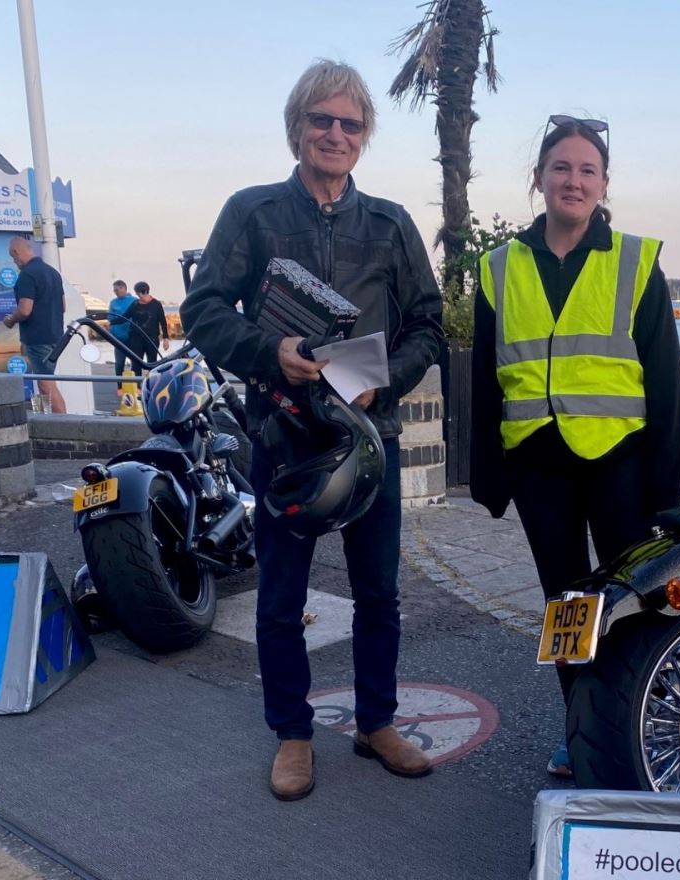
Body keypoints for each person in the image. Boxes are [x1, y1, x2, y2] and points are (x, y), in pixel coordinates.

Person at [181, 60, 444, 802]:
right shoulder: (254, 213)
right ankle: (292, 733)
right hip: (284, 436)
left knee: (380, 593)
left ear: (364, 137)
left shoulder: (391, 223)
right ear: (296, 127)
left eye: (350, 123)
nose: (335, 134)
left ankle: (376, 722)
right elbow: (203, 309)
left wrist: (389, 372)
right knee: (279, 600)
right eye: (321, 120)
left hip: (370, 437)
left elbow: (428, 321)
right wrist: (273, 354)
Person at [469, 114, 680, 779]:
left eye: (587, 169)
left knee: (630, 603)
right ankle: (580, 728)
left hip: (619, 462)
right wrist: (488, 476)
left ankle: (637, 721)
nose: (573, 179)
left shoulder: (635, 261)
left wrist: (665, 485)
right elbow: (484, 380)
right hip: (538, 463)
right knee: (565, 606)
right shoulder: (499, 268)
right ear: (538, 180)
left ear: (603, 184)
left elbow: (666, 382)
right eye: (560, 167)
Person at [3, 236, 66, 413]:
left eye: (12, 257)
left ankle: (65, 425)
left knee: (46, 384)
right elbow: (63, 306)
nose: (14, 262)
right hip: (56, 336)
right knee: (46, 381)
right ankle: (49, 420)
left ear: (16, 252)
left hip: (38, 338)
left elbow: (24, 310)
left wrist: (10, 320)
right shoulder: (53, 272)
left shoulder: (27, 274)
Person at [127, 282, 170, 369]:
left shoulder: (156, 304)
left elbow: (163, 321)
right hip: (136, 339)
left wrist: (165, 339)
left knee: (152, 363)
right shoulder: (135, 304)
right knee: (136, 364)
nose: (140, 296)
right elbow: (124, 316)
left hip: (152, 338)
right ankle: (137, 382)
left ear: (147, 291)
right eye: (138, 293)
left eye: (142, 293)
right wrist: (110, 321)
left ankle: (151, 382)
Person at [108, 280, 141, 380]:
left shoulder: (134, 300)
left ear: (124, 288)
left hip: (132, 337)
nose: (116, 292)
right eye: (114, 290)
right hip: (119, 338)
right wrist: (112, 334)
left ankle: (138, 385)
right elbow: (110, 319)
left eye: (117, 290)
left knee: (135, 362)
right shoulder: (113, 303)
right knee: (119, 363)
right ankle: (120, 386)